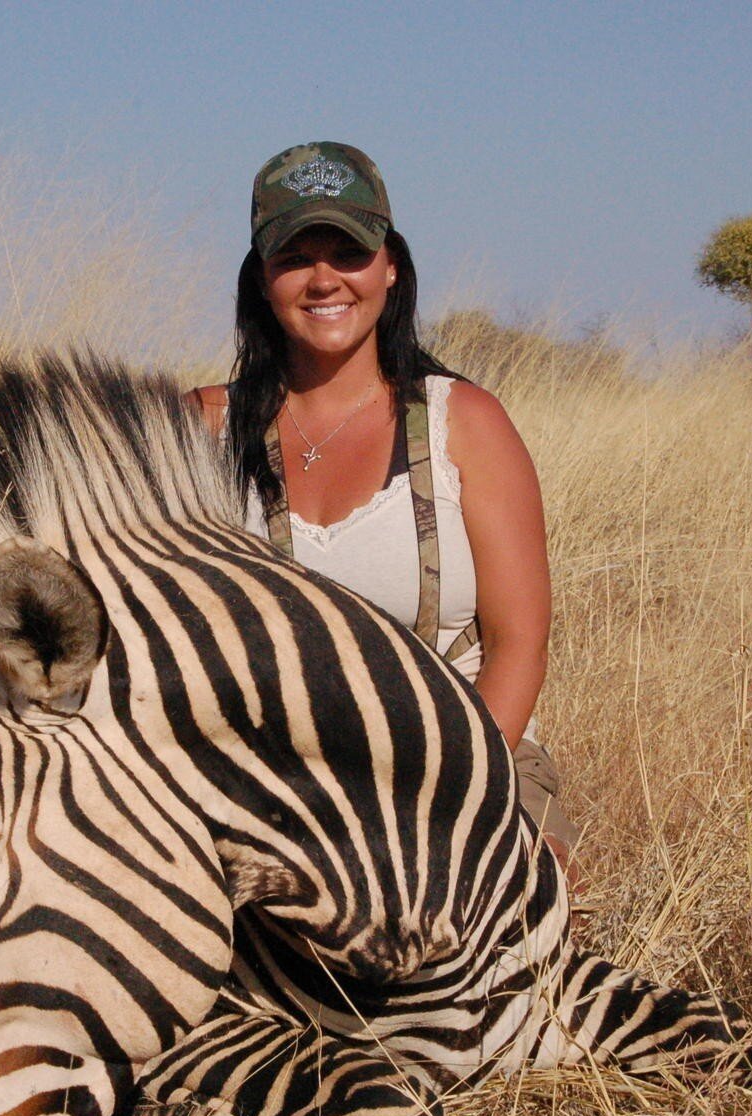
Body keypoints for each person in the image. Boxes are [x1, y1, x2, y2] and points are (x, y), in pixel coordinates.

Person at [188, 141, 583, 891]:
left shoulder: (462, 421)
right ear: (261, 280)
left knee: (498, 938)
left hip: (462, 768)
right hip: (267, 784)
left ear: (391, 266)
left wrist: (436, 807)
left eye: (349, 250)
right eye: (295, 256)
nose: (325, 278)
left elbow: (518, 645)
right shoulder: (200, 428)